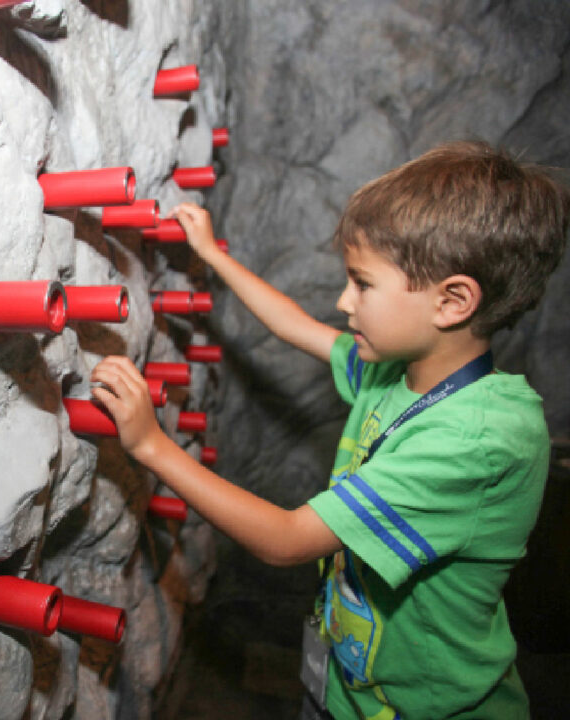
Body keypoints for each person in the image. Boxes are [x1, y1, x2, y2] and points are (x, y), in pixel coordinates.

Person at [90, 141, 569, 719]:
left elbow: (287, 539)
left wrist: (150, 446)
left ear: (453, 301)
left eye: (362, 284)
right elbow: (295, 326)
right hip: (350, 685)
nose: (344, 302)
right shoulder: (400, 367)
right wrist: (212, 257)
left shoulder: (474, 441)